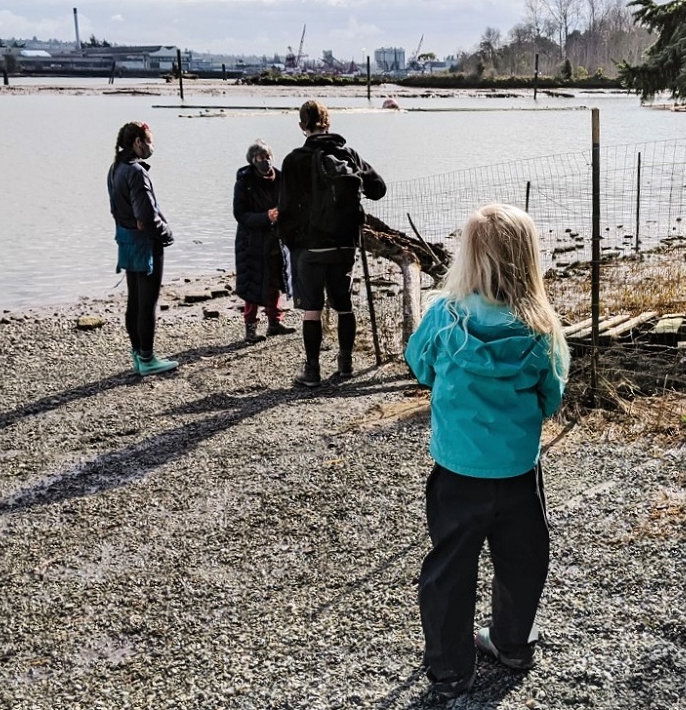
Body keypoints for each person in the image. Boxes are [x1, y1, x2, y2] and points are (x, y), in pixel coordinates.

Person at [404, 203, 570, 699]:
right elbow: (552, 397)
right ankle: (513, 642)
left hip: (456, 471)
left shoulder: (443, 318)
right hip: (517, 471)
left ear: (468, 258)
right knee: (524, 559)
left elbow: (419, 366)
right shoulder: (542, 330)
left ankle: (450, 670)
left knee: (450, 570)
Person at [277, 100, 386, 387]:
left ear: (302, 126)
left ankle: (312, 371)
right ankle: (346, 364)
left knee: (312, 309)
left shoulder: (293, 160)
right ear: (328, 123)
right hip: (345, 244)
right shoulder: (348, 154)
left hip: (310, 247)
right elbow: (379, 189)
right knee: (344, 305)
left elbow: (286, 208)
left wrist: (290, 241)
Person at [107, 121, 178, 376]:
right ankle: (147, 358)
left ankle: (138, 354)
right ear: (137, 142)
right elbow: (146, 216)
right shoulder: (136, 172)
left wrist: (132, 223)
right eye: (149, 141)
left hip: (126, 241)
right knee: (147, 303)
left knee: (135, 300)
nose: (152, 147)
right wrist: (167, 235)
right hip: (145, 244)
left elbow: (116, 209)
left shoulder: (115, 168)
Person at [233, 139, 296, 343]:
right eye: (261, 157)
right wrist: (265, 217)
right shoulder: (245, 182)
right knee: (253, 286)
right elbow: (240, 214)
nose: (265, 161)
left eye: (268, 156)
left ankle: (274, 323)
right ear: (252, 160)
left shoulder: (282, 179)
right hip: (251, 241)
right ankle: (250, 328)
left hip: (276, 239)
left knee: (275, 282)